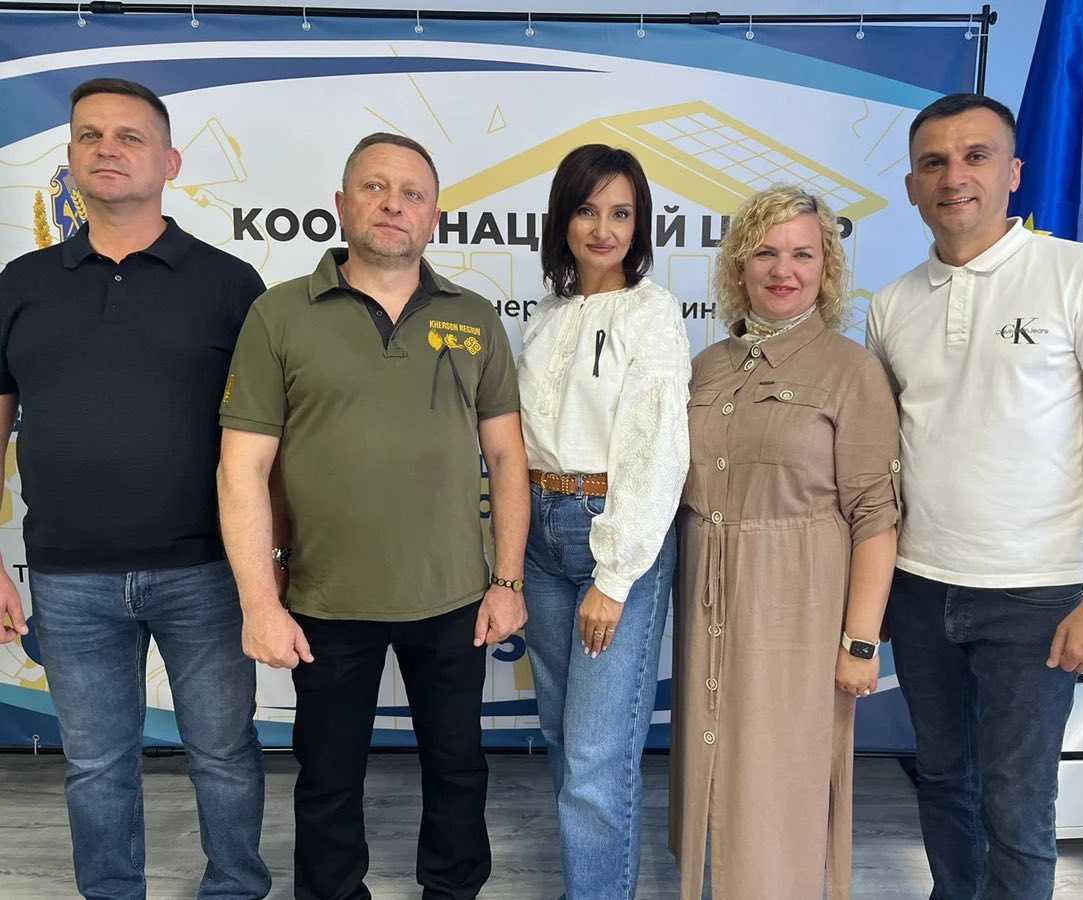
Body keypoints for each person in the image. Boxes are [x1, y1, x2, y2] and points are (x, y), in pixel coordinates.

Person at [216, 133, 529, 900]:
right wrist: (259, 603)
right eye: (374, 187)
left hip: (454, 599)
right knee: (328, 782)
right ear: (340, 204)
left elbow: (507, 458)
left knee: (458, 770)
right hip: (325, 603)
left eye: (412, 193)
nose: (393, 204)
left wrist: (507, 580)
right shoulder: (279, 315)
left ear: (435, 217)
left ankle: (452, 891)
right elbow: (241, 468)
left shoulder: (475, 318)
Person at [867, 93, 1083, 899]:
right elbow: (886, 464)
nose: (954, 176)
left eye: (976, 156)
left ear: (1014, 172)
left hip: (1036, 596)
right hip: (921, 590)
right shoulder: (891, 306)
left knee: (1018, 806)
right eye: (933, 163)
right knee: (943, 784)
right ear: (912, 186)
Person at [0, 78, 270, 899]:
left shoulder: (230, 283)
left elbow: (266, 444)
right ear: (70, 156)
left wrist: (270, 566)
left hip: (205, 572)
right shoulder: (20, 282)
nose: (107, 149)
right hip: (67, 576)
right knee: (95, 763)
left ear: (170, 162)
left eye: (129, 136)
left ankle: (235, 888)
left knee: (224, 754)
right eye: (90, 136)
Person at [668, 185, 900, 899]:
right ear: (739, 266)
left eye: (803, 254)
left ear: (826, 268)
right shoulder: (706, 366)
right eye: (765, 253)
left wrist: (860, 642)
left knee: (780, 791)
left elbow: (876, 516)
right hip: (707, 606)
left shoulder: (851, 370)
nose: (783, 270)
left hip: (797, 613)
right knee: (706, 780)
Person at [518, 144, 691, 900]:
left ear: (640, 224)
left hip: (613, 530)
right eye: (588, 210)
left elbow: (658, 449)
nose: (603, 229)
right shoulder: (547, 316)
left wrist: (615, 576)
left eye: (621, 213)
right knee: (564, 737)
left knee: (596, 755)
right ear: (563, 218)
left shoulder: (652, 312)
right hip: (539, 531)